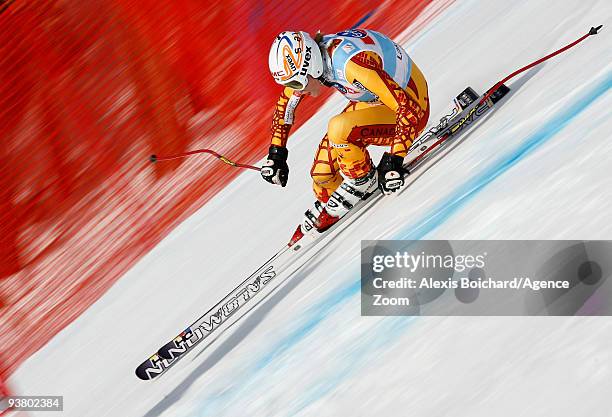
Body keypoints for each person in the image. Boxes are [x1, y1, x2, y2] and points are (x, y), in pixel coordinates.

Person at [262, 29, 430, 242]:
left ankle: (362, 180)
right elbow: (285, 105)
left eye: (296, 84)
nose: (295, 90)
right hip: (380, 102)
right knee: (321, 176)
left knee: (339, 128)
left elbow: (408, 110)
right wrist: (277, 153)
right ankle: (351, 186)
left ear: (311, 67)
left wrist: (394, 159)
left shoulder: (351, 65)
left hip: (413, 107)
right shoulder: (318, 62)